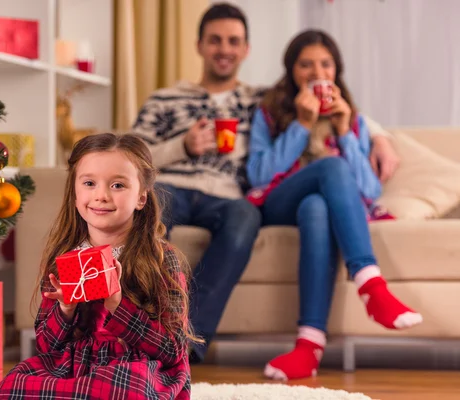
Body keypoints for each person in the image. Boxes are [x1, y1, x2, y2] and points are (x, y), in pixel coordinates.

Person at [132, 2, 401, 364]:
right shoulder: (167, 99)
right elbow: (131, 154)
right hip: (172, 185)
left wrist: (378, 135)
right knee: (149, 208)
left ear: (246, 49)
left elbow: (335, 113)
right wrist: (182, 145)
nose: (224, 49)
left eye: (233, 41)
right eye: (215, 40)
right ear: (199, 45)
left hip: (226, 195)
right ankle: (131, 329)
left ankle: (183, 346)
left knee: (256, 214)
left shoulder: (258, 100)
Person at [245, 29, 423, 381]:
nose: (316, 73)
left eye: (325, 64)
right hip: (278, 203)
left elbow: (369, 192)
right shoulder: (269, 112)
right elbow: (259, 175)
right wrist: (302, 125)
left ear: (336, 71)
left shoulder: (353, 119)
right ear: (291, 70)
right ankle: (370, 284)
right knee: (331, 167)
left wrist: (344, 131)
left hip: (311, 208)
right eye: (306, 64)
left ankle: (308, 346)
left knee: (317, 206)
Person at [0, 134, 196, 399]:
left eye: (118, 185)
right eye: (89, 183)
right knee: (15, 383)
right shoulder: (64, 258)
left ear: (141, 198)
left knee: (124, 389)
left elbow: (173, 349)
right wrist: (65, 308)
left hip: (136, 366)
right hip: (76, 365)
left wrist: (117, 304)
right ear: (75, 195)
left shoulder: (160, 258)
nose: (101, 196)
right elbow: (46, 346)